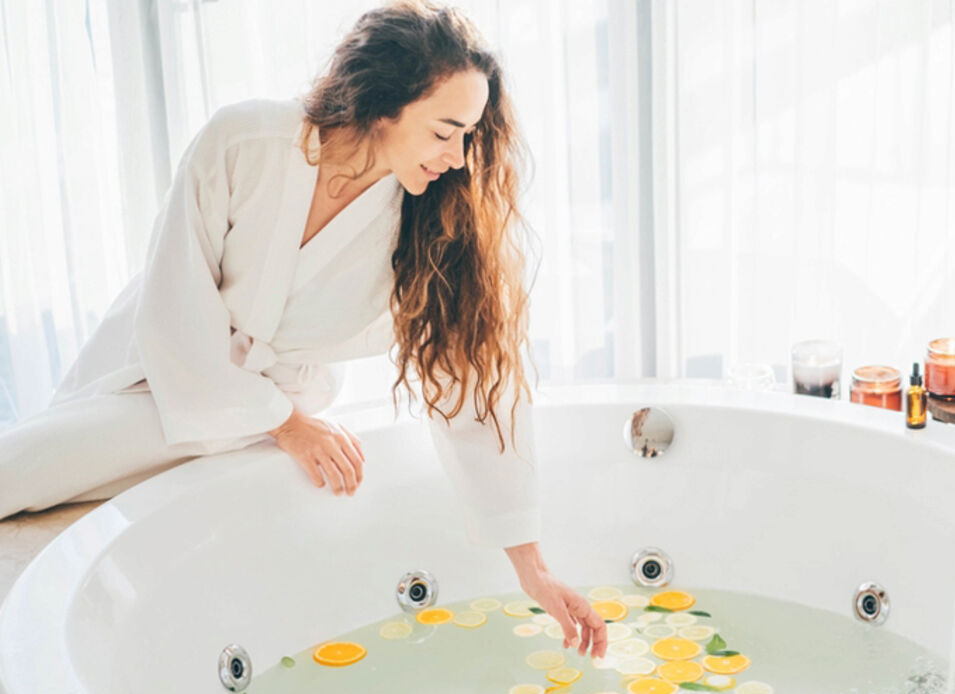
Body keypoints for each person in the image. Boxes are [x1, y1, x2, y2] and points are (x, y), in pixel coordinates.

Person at [0, 0, 607, 658]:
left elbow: (473, 385)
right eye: (444, 131)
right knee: (29, 467)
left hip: (267, 394)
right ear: (384, 104)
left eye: (468, 136)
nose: (459, 157)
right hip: (157, 363)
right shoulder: (243, 142)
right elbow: (174, 304)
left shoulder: (429, 224)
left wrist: (533, 568)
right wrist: (286, 425)